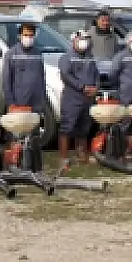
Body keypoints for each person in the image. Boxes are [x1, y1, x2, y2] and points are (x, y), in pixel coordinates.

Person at [57, 30, 98, 165]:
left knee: (84, 127)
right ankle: (63, 157)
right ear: (74, 40)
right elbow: (66, 76)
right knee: (67, 127)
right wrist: (82, 87)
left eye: (86, 39)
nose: (84, 41)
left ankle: (82, 155)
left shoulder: (90, 56)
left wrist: (96, 87)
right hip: (72, 98)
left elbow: (96, 73)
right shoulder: (66, 57)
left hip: (87, 99)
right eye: (81, 39)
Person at [1, 22, 46, 113]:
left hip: (35, 103)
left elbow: (41, 78)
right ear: (20, 36)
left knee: (34, 126)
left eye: (31, 35)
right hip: (18, 103)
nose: (28, 38)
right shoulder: (11, 54)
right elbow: (6, 81)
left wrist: (42, 100)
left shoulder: (37, 53)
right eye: (25, 35)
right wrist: (10, 103)